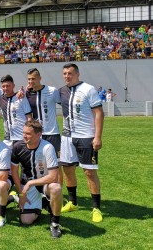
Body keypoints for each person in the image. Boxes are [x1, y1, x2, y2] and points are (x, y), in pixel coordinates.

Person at [59, 63, 104, 223]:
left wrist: (97, 137)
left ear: (77, 74)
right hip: (67, 137)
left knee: (89, 172)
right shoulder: (62, 91)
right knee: (68, 169)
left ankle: (96, 208)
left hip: (86, 137)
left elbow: (99, 113)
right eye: (64, 73)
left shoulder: (88, 89)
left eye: (70, 73)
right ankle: (72, 202)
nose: (66, 76)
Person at [11, 121, 63, 238]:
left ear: (39, 134)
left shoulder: (47, 147)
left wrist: (31, 182)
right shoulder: (17, 147)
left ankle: (54, 224)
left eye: (28, 134)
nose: (24, 136)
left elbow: (54, 176)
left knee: (56, 188)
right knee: (26, 221)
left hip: (44, 183)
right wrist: (21, 193)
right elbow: (14, 172)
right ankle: (41, 203)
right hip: (26, 185)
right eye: (23, 132)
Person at [25, 68, 62, 182]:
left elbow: (64, 104)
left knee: (57, 165)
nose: (31, 81)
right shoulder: (27, 93)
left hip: (52, 133)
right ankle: (43, 191)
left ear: (40, 78)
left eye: (33, 79)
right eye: (29, 79)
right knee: (39, 163)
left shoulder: (52, 90)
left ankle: (57, 192)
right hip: (36, 134)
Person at [0, 74, 32, 143]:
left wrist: (28, 134)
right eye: (3, 86)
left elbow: (29, 117)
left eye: (8, 86)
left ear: (13, 86)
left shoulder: (21, 97)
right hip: (7, 138)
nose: (5, 88)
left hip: (21, 137)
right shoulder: (1, 99)